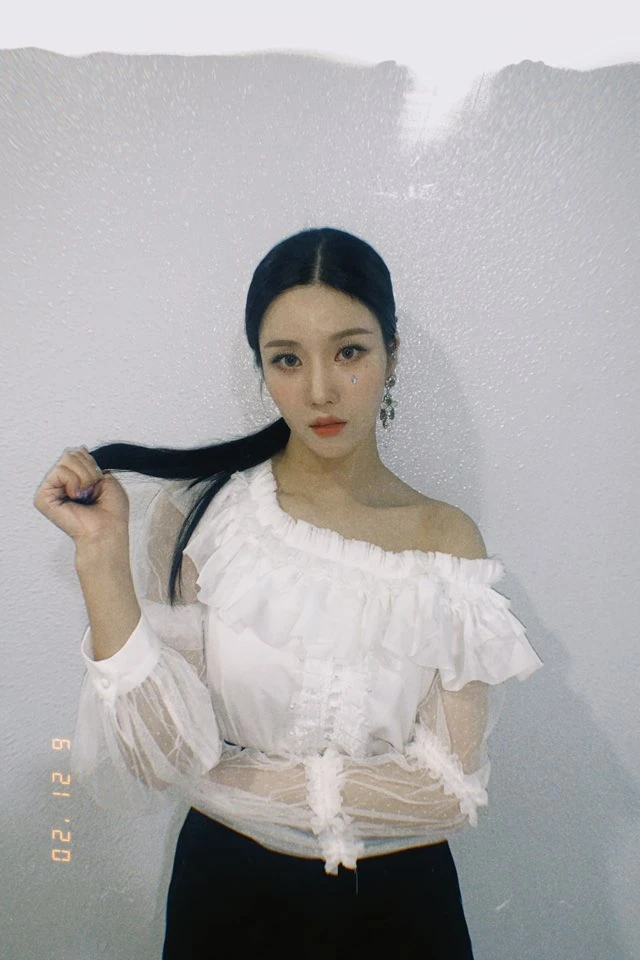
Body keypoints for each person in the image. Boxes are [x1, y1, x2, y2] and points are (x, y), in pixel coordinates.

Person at [34, 227, 543, 958]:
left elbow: (447, 788)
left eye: (349, 352)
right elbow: (164, 756)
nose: (320, 390)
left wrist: (237, 781)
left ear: (392, 355)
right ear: (262, 371)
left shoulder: (446, 541)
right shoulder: (204, 518)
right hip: (226, 900)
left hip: (401, 909)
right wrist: (99, 556)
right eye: (287, 360)